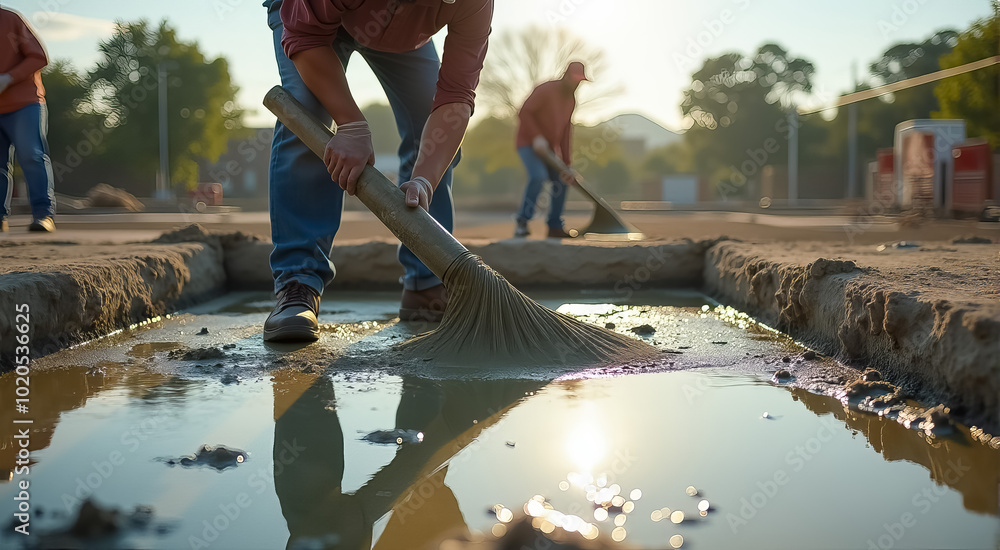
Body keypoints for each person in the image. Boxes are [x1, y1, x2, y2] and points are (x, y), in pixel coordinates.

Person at [262, 0, 492, 342]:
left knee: (431, 120)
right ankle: (298, 284)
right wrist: (352, 125)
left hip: (399, 29)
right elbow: (305, 36)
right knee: (308, 113)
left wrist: (426, 180)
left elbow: (456, 95)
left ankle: (426, 283)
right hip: (309, 15)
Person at [513, 61, 588, 239]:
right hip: (528, 144)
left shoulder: (571, 100)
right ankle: (522, 222)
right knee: (538, 176)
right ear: (566, 75)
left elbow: (566, 131)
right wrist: (536, 136)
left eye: (580, 81)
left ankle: (554, 226)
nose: (577, 84)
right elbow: (523, 112)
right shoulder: (546, 90)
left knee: (562, 179)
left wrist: (567, 164)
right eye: (574, 79)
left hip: (548, 150)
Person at [0, 7, 55, 233]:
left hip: (26, 104)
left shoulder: (10, 19)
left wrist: (9, 78)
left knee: (30, 154)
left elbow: (39, 57)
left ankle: (44, 215)